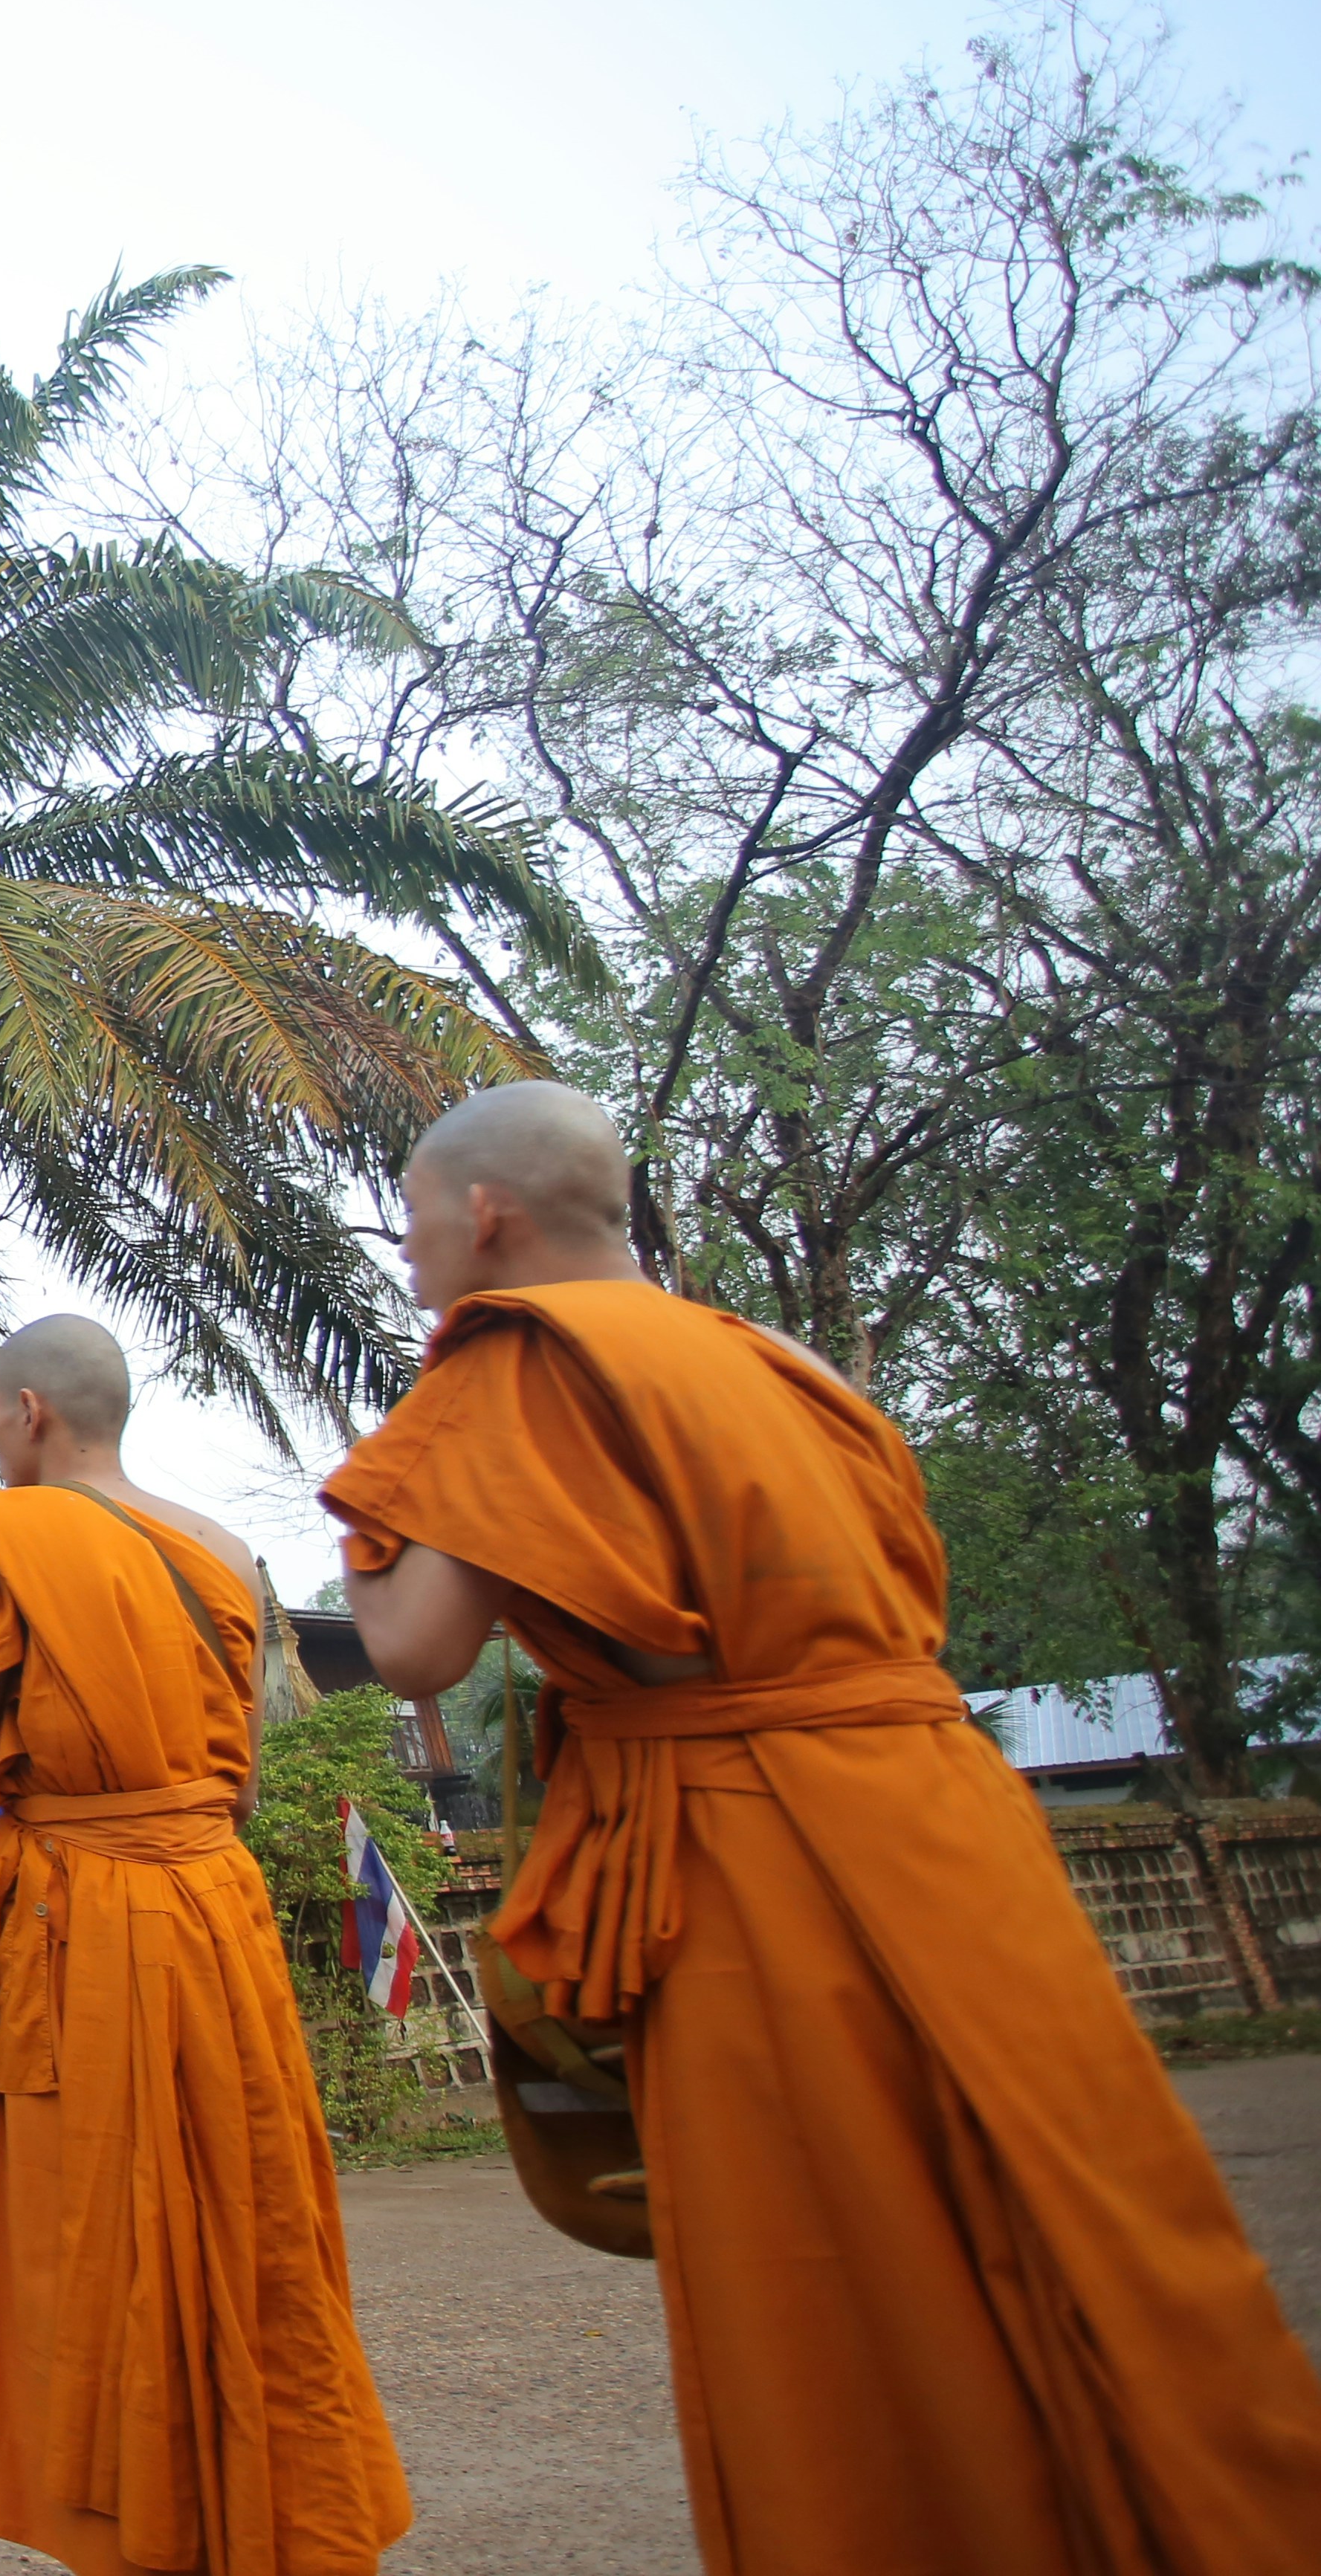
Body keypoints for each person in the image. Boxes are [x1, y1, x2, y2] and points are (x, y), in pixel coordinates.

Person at [326, 1081, 1321, 2576]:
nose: (409, 1262)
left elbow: (413, 1653)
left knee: (832, 2272)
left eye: (409, 1227)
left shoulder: (516, 1363)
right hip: (944, 1818)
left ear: (485, 1216)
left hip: (755, 1853)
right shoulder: (785, 1365)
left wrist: (378, 1502)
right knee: (1076, 2206)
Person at [0, 1318, 408, 2576]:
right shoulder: (227, 1551)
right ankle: (265, 2503)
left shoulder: (2, 1543)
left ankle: (136, 2520)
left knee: (94, 2227)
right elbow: (236, 1775)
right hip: (216, 1911)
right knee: (245, 2203)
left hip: (75, 1918)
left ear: (25, 1412)